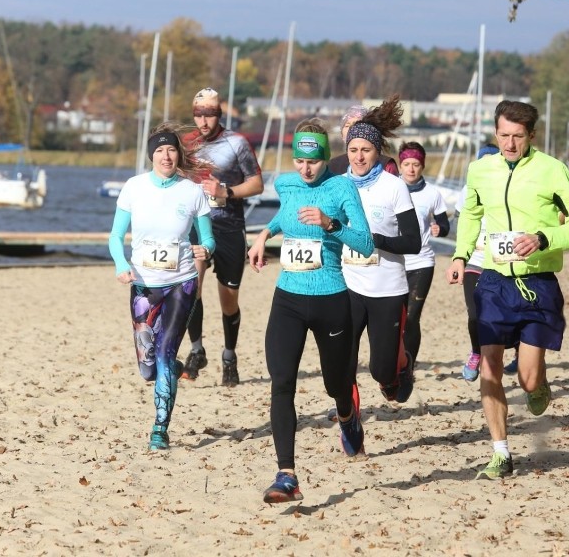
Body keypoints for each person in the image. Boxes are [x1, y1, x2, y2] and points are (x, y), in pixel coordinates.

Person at [446, 100, 569, 480]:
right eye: (504, 136)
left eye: (518, 137)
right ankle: (500, 452)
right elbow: (471, 215)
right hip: (493, 280)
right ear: (495, 134)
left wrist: (544, 238)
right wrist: (461, 255)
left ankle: (537, 385)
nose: (510, 144)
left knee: (527, 377)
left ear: (531, 136)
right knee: (490, 363)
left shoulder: (552, 170)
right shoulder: (480, 170)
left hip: (538, 283)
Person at [246, 119, 374, 503]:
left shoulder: (341, 187)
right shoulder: (286, 183)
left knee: (336, 384)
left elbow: (365, 242)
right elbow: (285, 213)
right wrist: (264, 234)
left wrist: (330, 223)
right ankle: (287, 474)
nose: (306, 169)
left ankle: (348, 417)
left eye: (314, 161)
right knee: (281, 381)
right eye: (300, 160)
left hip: (332, 298)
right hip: (287, 299)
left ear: (324, 158)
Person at [108, 122, 216, 450]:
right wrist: (121, 264)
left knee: (166, 353)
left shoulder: (192, 191)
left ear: (178, 154)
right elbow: (115, 236)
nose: (166, 156)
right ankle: (175, 368)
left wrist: (206, 249)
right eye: (159, 151)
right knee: (147, 368)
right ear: (151, 156)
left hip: (180, 283)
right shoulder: (134, 187)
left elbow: (208, 236)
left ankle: (160, 428)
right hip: (143, 286)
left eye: (171, 150)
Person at [342, 95, 422, 408]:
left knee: (381, 370)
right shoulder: (337, 186)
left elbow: (413, 241)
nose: (359, 157)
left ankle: (402, 364)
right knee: (343, 364)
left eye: (366, 150)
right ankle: (350, 425)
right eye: (353, 150)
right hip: (347, 287)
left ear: (377, 152)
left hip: (387, 290)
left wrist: (377, 239)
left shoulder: (394, 186)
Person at [180, 88, 264, 385]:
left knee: (228, 301)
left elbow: (257, 184)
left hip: (229, 226)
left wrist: (226, 192)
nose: (203, 121)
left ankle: (229, 355)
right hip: (197, 226)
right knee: (191, 288)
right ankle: (196, 350)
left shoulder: (237, 143)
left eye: (210, 114)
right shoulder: (185, 144)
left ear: (220, 115)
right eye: (198, 114)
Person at [454, 143, 519, 382]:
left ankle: (520, 349)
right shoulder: (467, 188)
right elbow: (463, 223)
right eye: (483, 161)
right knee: (474, 314)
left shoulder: (511, 187)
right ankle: (476, 352)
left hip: (504, 261)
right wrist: (459, 258)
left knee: (510, 313)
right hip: (476, 260)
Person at [398, 141, 450, 371]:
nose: (411, 169)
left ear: (422, 166)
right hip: (394, 262)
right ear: (400, 165)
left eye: (416, 164)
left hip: (422, 262)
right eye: (407, 164)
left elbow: (445, 223)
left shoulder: (432, 194)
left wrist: (441, 229)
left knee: (411, 317)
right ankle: (394, 357)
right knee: (393, 318)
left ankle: (408, 362)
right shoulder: (391, 189)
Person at [328, 105, 398, 176]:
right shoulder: (333, 165)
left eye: (356, 124)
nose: (351, 129)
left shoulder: (387, 165)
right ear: (341, 133)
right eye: (347, 125)